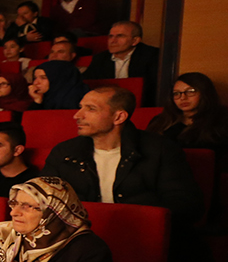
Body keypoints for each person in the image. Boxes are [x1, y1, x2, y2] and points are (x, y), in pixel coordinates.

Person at [41, 85, 201, 221]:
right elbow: (43, 198)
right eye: (81, 107)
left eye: (91, 109)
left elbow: (183, 203)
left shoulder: (160, 149)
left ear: (118, 117)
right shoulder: (64, 152)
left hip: (141, 235)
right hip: (80, 236)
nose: (78, 115)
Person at [82, 21, 161, 104]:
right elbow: (88, 82)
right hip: (109, 104)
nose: (113, 41)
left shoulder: (153, 56)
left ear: (135, 40)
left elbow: (153, 88)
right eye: (110, 36)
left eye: (120, 36)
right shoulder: (100, 58)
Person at [149, 72, 228, 152]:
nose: (182, 97)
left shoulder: (221, 120)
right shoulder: (161, 120)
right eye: (176, 93)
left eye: (190, 91)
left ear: (204, 93)